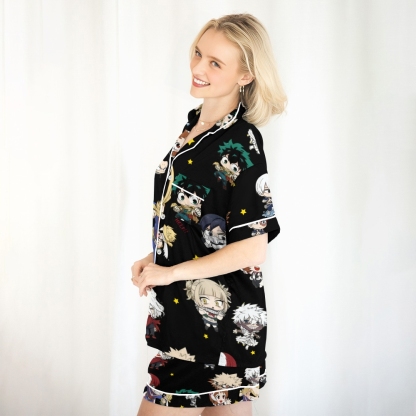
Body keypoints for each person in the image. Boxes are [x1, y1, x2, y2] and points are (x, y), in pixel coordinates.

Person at [131, 13, 287, 416]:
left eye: (215, 63)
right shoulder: (194, 128)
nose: (198, 68)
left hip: (215, 327)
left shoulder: (243, 143)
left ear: (245, 75)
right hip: (189, 322)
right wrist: (156, 257)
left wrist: (169, 274)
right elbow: (197, 225)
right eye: (198, 54)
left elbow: (252, 249)